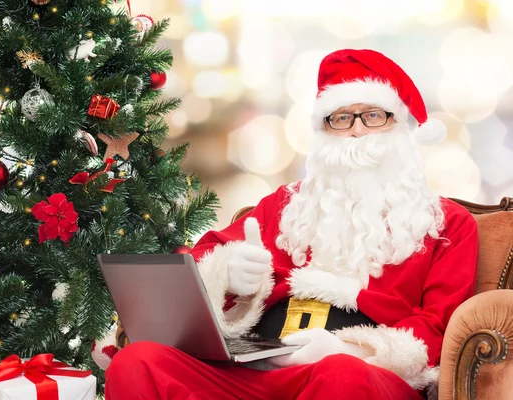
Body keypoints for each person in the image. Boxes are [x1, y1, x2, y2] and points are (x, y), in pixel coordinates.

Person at [105, 49, 479, 400]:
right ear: (324, 130)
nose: (357, 131)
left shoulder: (447, 225)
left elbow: (441, 328)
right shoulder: (285, 205)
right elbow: (204, 258)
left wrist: (353, 349)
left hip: (362, 374)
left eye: (374, 115)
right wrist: (228, 273)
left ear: (402, 125)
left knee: (340, 375)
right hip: (258, 372)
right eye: (342, 118)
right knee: (139, 361)